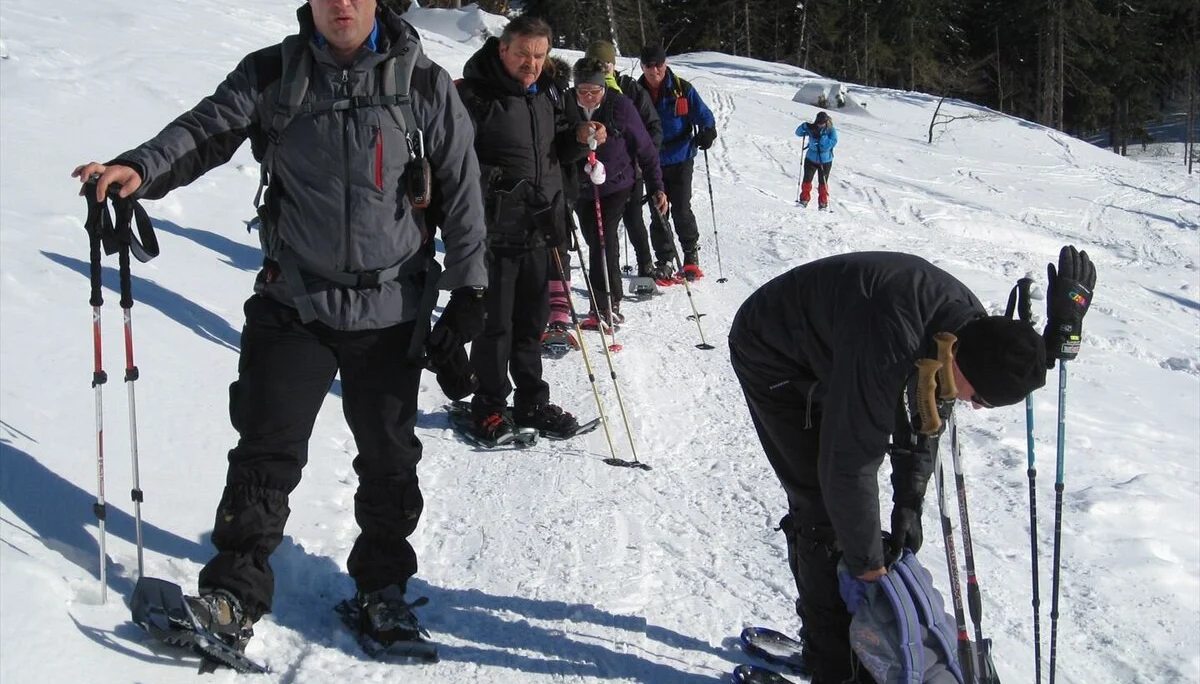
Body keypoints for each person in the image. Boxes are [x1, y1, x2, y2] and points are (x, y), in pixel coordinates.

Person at [71, 0, 488, 650]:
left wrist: (470, 294)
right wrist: (142, 167)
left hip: (389, 308)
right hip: (295, 300)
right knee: (266, 454)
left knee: (389, 461)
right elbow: (204, 130)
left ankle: (381, 592)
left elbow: (463, 191)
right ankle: (233, 596)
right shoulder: (275, 74)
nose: (342, 5)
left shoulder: (423, 82)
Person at [728, 251, 1069, 684]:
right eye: (979, 397)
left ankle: (832, 643)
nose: (976, 407)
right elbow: (848, 465)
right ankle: (830, 666)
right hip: (773, 349)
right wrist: (868, 568)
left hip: (844, 342)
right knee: (821, 507)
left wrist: (909, 500)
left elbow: (924, 418)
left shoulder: (968, 334)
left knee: (849, 519)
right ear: (961, 363)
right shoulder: (890, 340)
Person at [456, 16, 591, 443]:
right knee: (495, 326)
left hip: (540, 226)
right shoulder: (474, 95)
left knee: (531, 322)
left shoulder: (548, 92)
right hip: (493, 232)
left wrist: (583, 136)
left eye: (539, 55)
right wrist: (501, 186)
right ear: (503, 50)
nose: (531, 63)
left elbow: (559, 147)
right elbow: (455, 163)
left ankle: (532, 400)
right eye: (523, 54)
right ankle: (490, 406)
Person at [566, 57, 667, 328]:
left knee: (602, 240)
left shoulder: (619, 106)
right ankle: (611, 294)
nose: (588, 98)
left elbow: (645, 147)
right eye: (582, 91)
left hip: (616, 185)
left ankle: (604, 306)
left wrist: (657, 186)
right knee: (595, 240)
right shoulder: (566, 104)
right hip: (580, 186)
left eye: (594, 92)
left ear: (604, 89)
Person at [583, 40, 665, 281]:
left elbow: (653, 128)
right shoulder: (585, 90)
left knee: (633, 219)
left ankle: (645, 265)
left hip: (631, 169)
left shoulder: (630, 88)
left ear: (614, 65)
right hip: (597, 173)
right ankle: (610, 271)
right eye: (596, 65)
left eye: (606, 64)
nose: (602, 69)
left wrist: (642, 159)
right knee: (600, 230)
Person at [637, 43, 716, 279]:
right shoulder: (636, 91)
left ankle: (690, 254)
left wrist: (708, 131)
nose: (654, 71)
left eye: (658, 65)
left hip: (681, 157)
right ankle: (664, 259)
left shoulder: (682, 89)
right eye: (649, 66)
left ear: (665, 63)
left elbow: (704, 115)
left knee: (681, 208)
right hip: (652, 162)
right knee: (658, 212)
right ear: (642, 66)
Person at [793, 111, 838, 210]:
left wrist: (822, 138)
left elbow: (832, 143)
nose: (819, 125)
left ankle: (823, 203)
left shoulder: (831, 130)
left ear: (826, 122)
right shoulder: (812, 127)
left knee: (823, 183)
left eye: (821, 123)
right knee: (807, 180)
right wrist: (804, 126)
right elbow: (798, 133)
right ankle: (804, 200)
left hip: (825, 160)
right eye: (818, 123)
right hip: (811, 158)